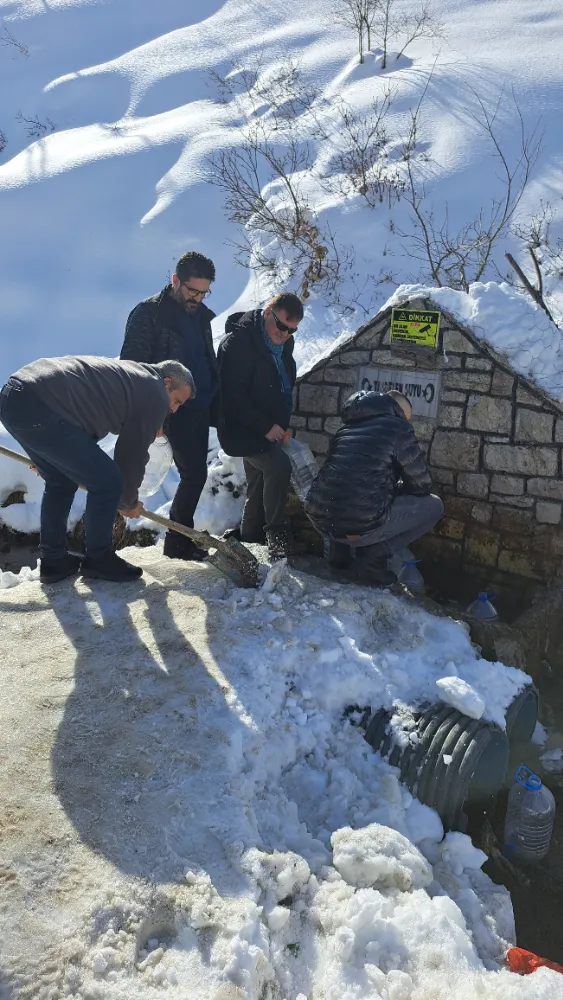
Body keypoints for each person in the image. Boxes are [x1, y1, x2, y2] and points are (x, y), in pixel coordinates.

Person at [0, 356, 195, 584]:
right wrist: (127, 502)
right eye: (177, 401)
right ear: (167, 382)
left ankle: (54, 560)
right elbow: (131, 454)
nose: (173, 409)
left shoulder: (134, 378)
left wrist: (51, 456)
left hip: (16, 397)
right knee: (108, 482)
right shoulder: (154, 392)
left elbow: (84, 423)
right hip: (39, 405)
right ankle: (98, 559)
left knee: (60, 480)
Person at [120, 251, 218, 562]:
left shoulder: (201, 316)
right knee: (192, 474)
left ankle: (180, 540)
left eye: (203, 292)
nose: (197, 298)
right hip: (170, 410)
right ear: (175, 280)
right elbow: (133, 368)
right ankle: (175, 543)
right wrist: (153, 414)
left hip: (199, 406)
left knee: (196, 474)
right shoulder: (149, 314)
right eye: (192, 290)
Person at [304, 389, 444, 586]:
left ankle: (340, 553)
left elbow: (343, 480)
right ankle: (373, 556)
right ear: (398, 410)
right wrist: (397, 488)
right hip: (359, 525)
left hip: (321, 520)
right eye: (406, 417)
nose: (407, 422)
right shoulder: (398, 427)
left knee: (347, 493)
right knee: (435, 506)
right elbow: (421, 484)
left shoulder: (346, 430)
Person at [217, 293, 303, 561]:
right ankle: (277, 537)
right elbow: (231, 396)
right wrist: (265, 425)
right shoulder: (238, 343)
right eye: (282, 326)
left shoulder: (283, 345)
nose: (285, 334)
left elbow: (280, 387)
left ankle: (250, 535)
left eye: (291, 330)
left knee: (257, 480)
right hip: (242, 429)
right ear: (268, 312)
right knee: (278, 466)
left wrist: (278, 425)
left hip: (267, 429)